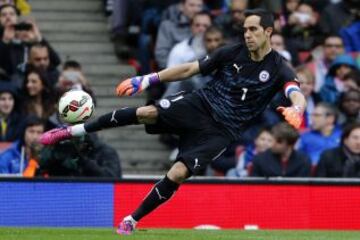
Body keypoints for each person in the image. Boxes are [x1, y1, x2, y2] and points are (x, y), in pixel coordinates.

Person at [40, 9, 306, 235]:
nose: (247, 35)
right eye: (245, 30)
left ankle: (131, 220)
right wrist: (147, 79)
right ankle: (71, 130)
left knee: (178, 173)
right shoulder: (231, 52)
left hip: (222, 131)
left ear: (269, 32)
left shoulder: (280, 68)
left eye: (253, 30)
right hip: (200, 105)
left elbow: (295, 92)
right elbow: (190, 68)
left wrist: (297, 109)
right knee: (146, 112)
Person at [38, 133, 122, 178]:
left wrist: (82, 161)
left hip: (98, 200)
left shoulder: (105, 152)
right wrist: (53, 159)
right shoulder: (65, 151)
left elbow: (113, 179)